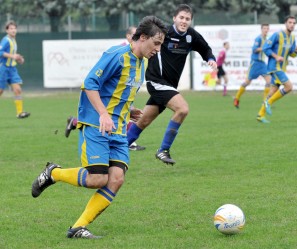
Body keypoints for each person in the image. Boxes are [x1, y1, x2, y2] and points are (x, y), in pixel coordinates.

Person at [31, 16, 167, 239]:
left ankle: (78, 227)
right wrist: (104, 113)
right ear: (143, 38)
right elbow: (90, 84)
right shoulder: (117, 55)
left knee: (116, 179)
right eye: (156, 43)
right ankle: (52, 173)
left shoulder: (141, 62)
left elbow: (114, 91)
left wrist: (129, 108)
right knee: (97, 179)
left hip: (119, 129)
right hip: (96, 123)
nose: (158, 49)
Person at [126, 4, 217, 165]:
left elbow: (205, 49)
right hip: (156, 81)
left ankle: (117, 150)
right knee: (182, 109)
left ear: (190, 21)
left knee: (143, 121)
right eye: (181, 17)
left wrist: (210, 59)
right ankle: (163, 150)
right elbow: (146, 39)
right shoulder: (163, 33)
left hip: (169, 86)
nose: (184, 21)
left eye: (187, 19)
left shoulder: (191, 35)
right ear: (174, 18)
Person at [65, 26, 146, 151]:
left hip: (122, 100)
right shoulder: (121, 52)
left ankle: (74, 122)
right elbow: (92, 83)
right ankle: (130, 142)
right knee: (98, 170)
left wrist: (130, 107)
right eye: (133, 34)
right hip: (100, 117)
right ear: (128, 36)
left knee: (114, 170)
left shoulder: (141, 57)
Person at [256, 16, 297, 123]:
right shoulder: (277, 35)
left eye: (294, 23)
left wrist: (296, 51)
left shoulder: (292, 38)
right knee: (289, 87)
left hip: (282, 67)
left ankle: (260, 115)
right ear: (285, 23)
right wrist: (276, 57)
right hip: (274, 67)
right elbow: (266, 48)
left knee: (273, 91)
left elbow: (292, 54)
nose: (292, 25)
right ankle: (269, 103)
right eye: (290, 22)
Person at [234, 24, 271, 109]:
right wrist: (264, 48)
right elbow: (254, 49)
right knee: (247, 82)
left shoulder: (267, 39)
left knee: (269, 81)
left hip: (262, 64)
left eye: (267, 28)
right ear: (261, 29)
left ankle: (265, 102)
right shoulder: (258, 38)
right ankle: (236, 98)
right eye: (264, 28)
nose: (266, 30)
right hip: (255, 63)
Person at [0, 20, 30, 119]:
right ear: (7, 30)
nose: (13, 30)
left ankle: (20, 113)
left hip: (12, 69)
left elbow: (12, 55)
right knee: (0, 91)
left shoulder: (13, 40)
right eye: (11, 28)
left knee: (17, 89)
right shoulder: (6, 40)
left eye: (14, 28)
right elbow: (0, 52)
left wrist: (19, 59)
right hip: (3, 68)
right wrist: (13, 56)